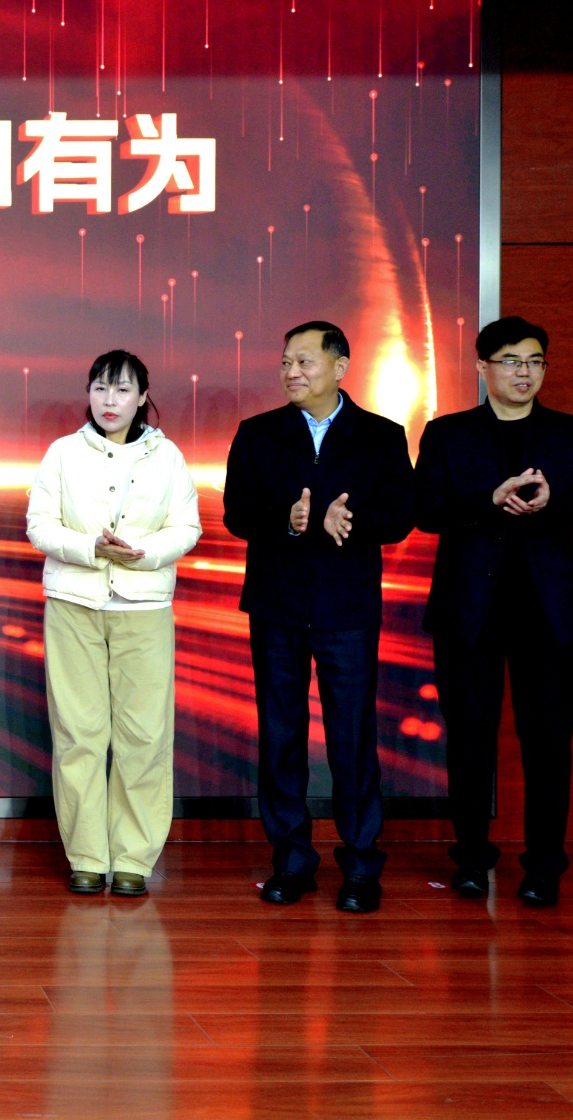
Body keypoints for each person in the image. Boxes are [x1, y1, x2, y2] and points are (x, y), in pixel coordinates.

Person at [223, 320, 416, 914]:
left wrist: (349, 523)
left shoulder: (380, 435)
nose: (292, 372)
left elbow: (401, 514)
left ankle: (360, 864)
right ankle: (291, 860)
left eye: (304, 361)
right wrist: (289, 521)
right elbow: (236, 512)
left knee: (352, 738)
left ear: (340, 366)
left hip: (347, 608)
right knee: (281, 736)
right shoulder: (258, 433)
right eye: (286, 362)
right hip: (276, 606)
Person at [416, 317, 573, 908]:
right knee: (470, 740)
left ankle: (544, 867)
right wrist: (488, 500)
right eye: (511, 361)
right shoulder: (448, 434)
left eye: (534, 361)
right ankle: (472, 859)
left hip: (549, 613)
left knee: (548, 742)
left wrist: (552, 505)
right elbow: (426, 510)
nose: (524, 372)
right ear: (483, 367)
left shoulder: (571, 434)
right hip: (469, 612)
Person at [26, 350, 201, 898]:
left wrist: (141, 554)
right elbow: (39, 525)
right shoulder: (62, 453)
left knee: (144, 736)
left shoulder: (167, 456)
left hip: (143, 607)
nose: (110, 400)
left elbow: (186, 528)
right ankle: (86, 855)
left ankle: (133, 858)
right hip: (73, 604)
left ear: (142, 397)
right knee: (79, 734)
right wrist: (90, 548)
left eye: (123, 390)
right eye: (100, 388)